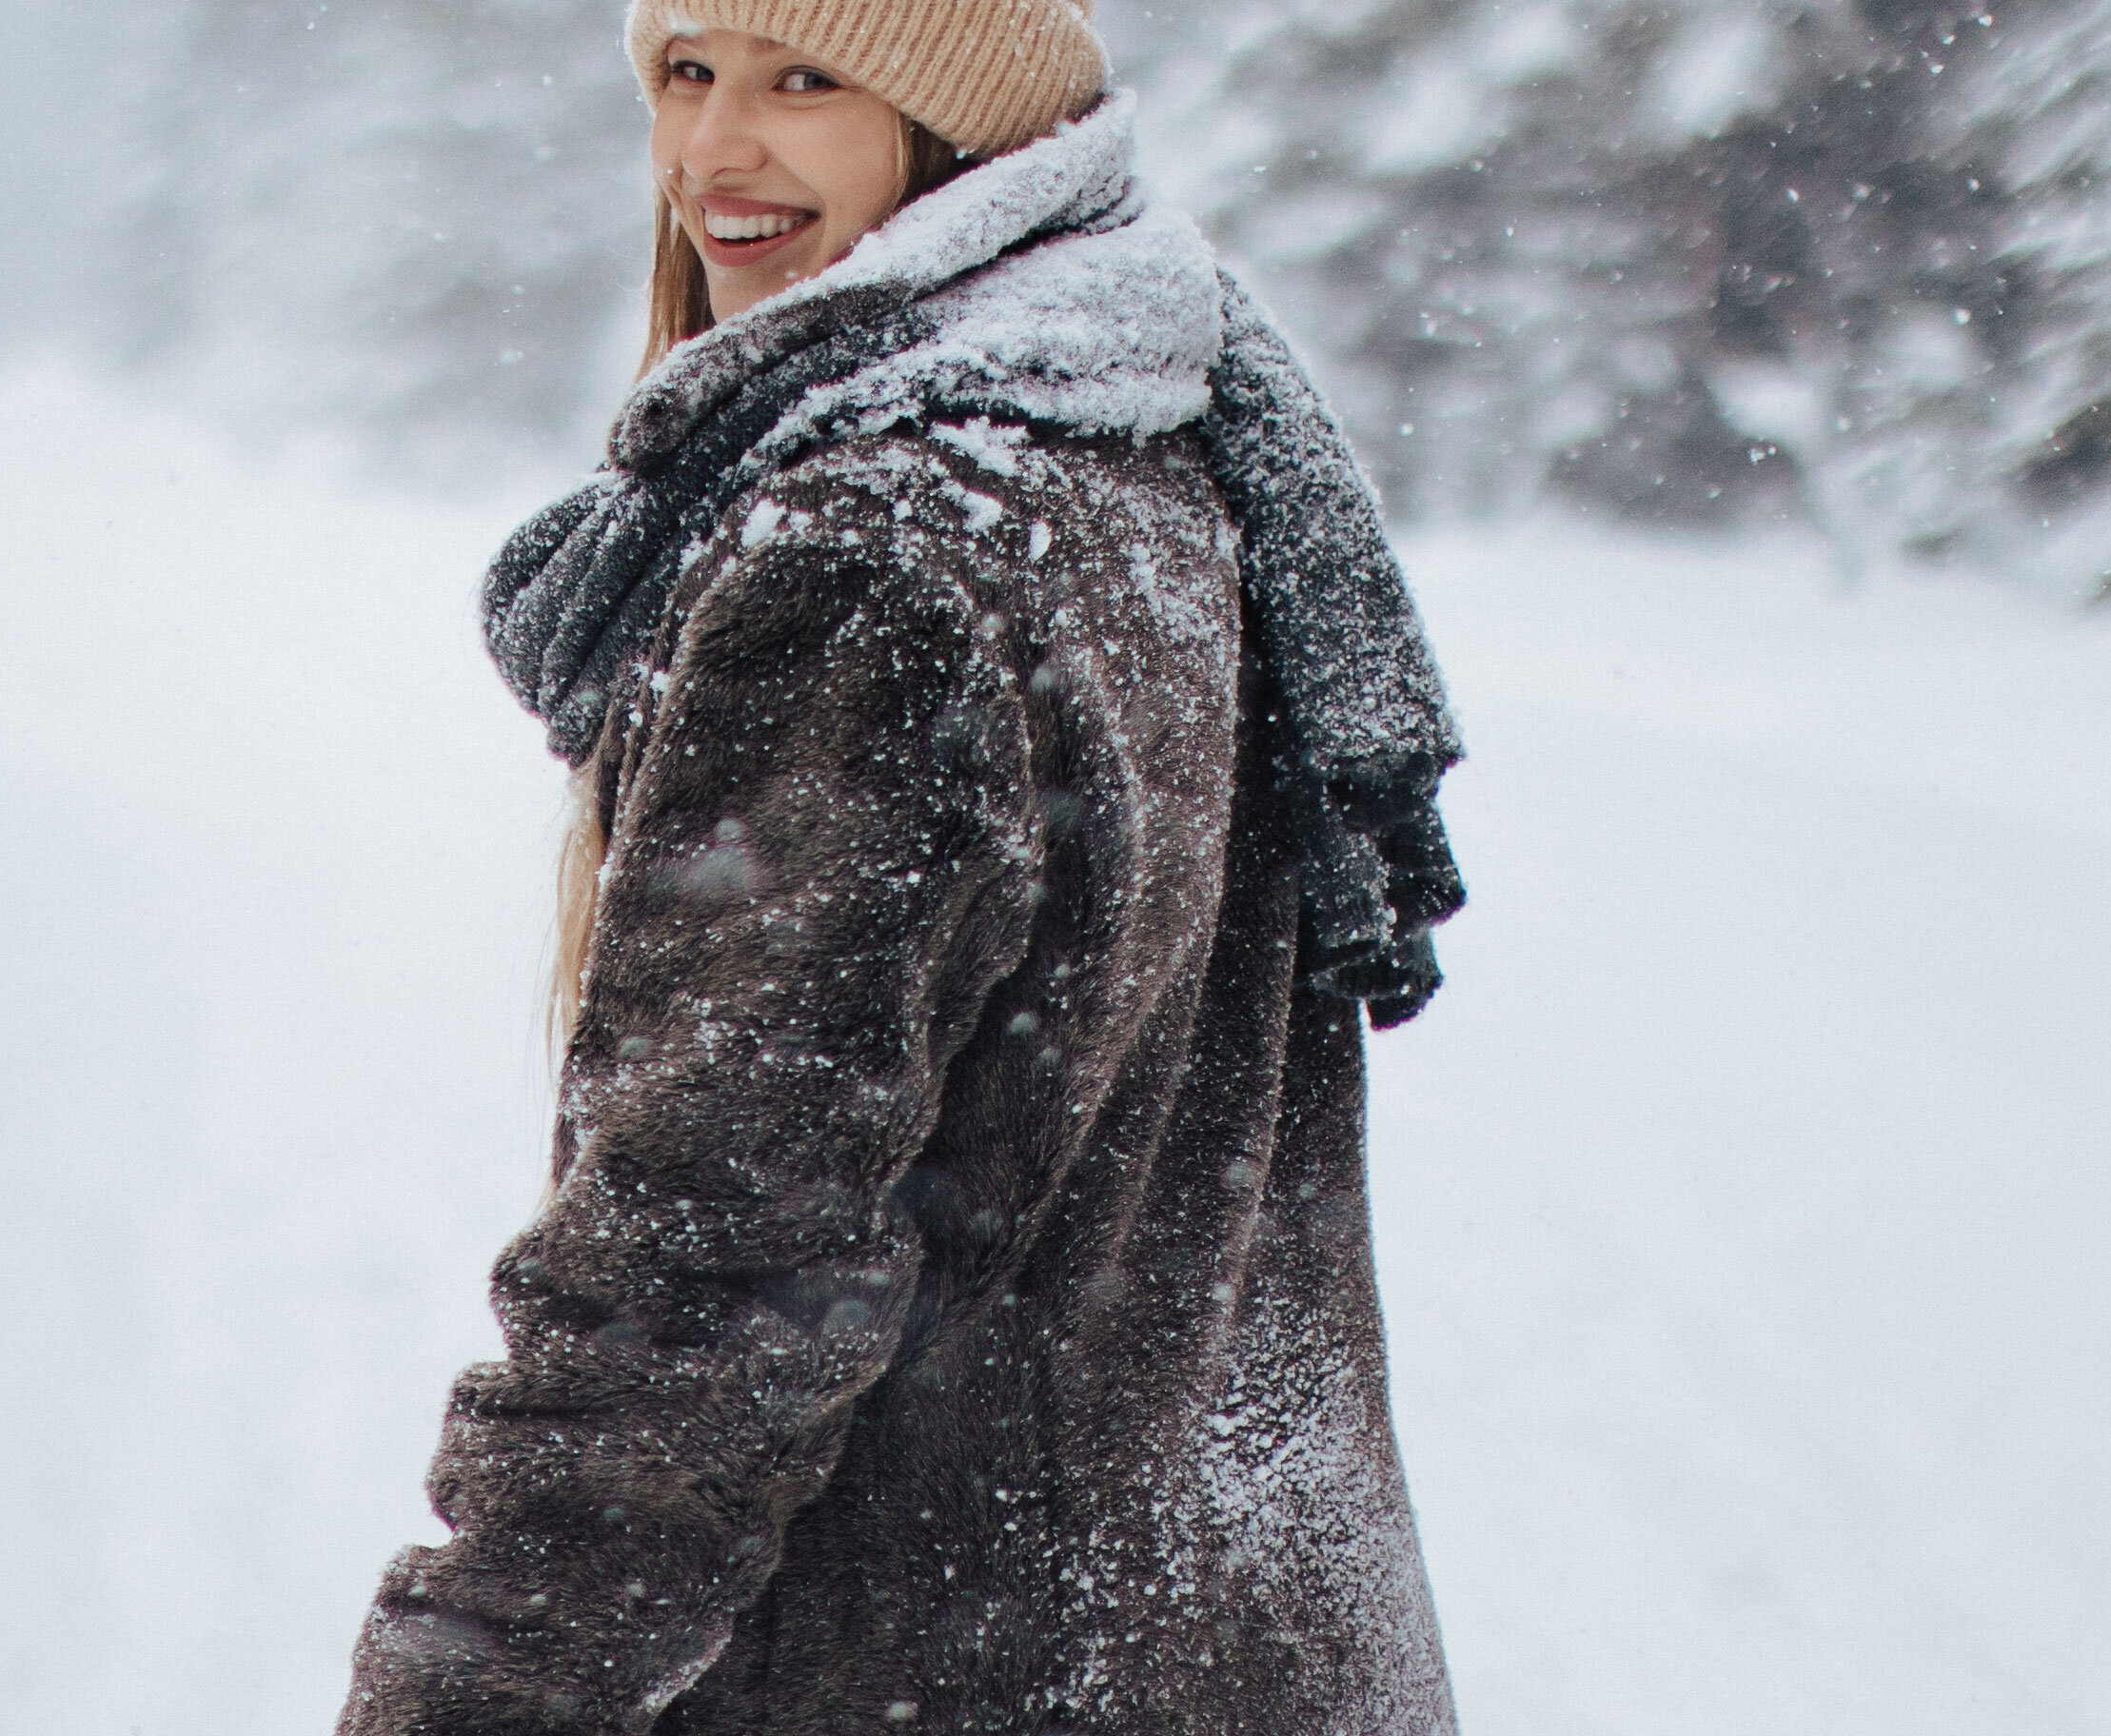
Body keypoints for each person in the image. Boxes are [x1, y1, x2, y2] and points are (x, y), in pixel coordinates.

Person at [344, 2, 1473, 1731]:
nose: (717, 150)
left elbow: (703, 1268)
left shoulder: (876, 565)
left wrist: (472, 1697)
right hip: (1224, 1637)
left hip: (947, 1661)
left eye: (810, 81)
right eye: (688, 74)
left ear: (963, 129)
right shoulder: (1153, 454)